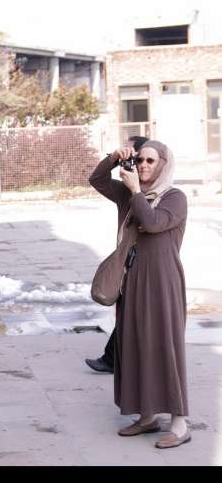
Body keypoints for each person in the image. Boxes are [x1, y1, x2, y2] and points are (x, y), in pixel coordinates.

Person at [89, 139, 190, 448]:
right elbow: (97, 180)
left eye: (150, 161)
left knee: (165, 348)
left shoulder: (174, 198)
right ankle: (147, 417)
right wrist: (112, 157)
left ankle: (180, 423)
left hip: (163, 283)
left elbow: (153, 222)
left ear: (162, 164)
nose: (144, 165)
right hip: (131, 280)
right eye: (140, 160)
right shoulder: (129, 196)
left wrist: (135, 192)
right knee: (134, 345)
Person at [85, 135, 149, 374]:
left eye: (136, 156)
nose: (134, 162)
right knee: (126, 311)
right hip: (127, 264)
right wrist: (113, 158)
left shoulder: (164, 193)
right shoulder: (124, 192)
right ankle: (112, 358)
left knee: (137, 314)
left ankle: (116, 359)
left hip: (149, 266)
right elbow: (97, 180)